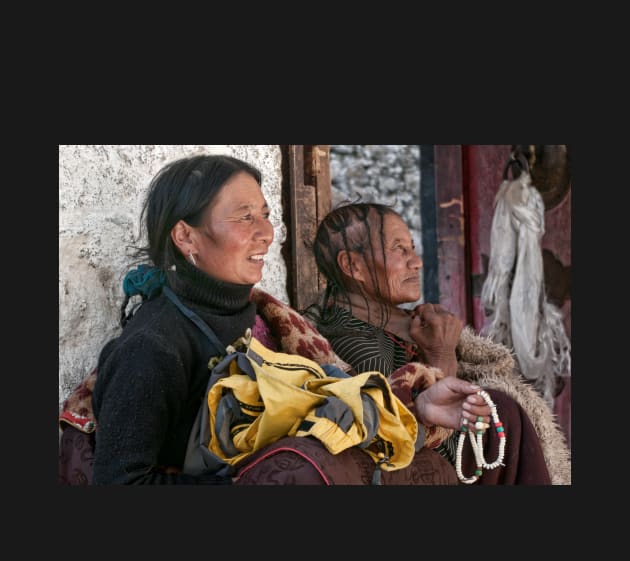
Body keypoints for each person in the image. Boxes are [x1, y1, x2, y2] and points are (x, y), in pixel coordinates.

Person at [59, 154, 497, 486]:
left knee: (505, 420)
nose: (266, 232)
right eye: (243, 217)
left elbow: (327, 401)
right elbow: (122, 483)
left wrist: (419, 407)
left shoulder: (264, 316)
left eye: (265, 214)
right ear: (186, 235)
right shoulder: (153, 346)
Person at [306, 201, 572, 485]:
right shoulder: (359, 345)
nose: (416, 261)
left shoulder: (397, 324)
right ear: (353, 266)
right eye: (399, 249)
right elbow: (430, 451)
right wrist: (441, 353)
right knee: (501, 408)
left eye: (412, 247)